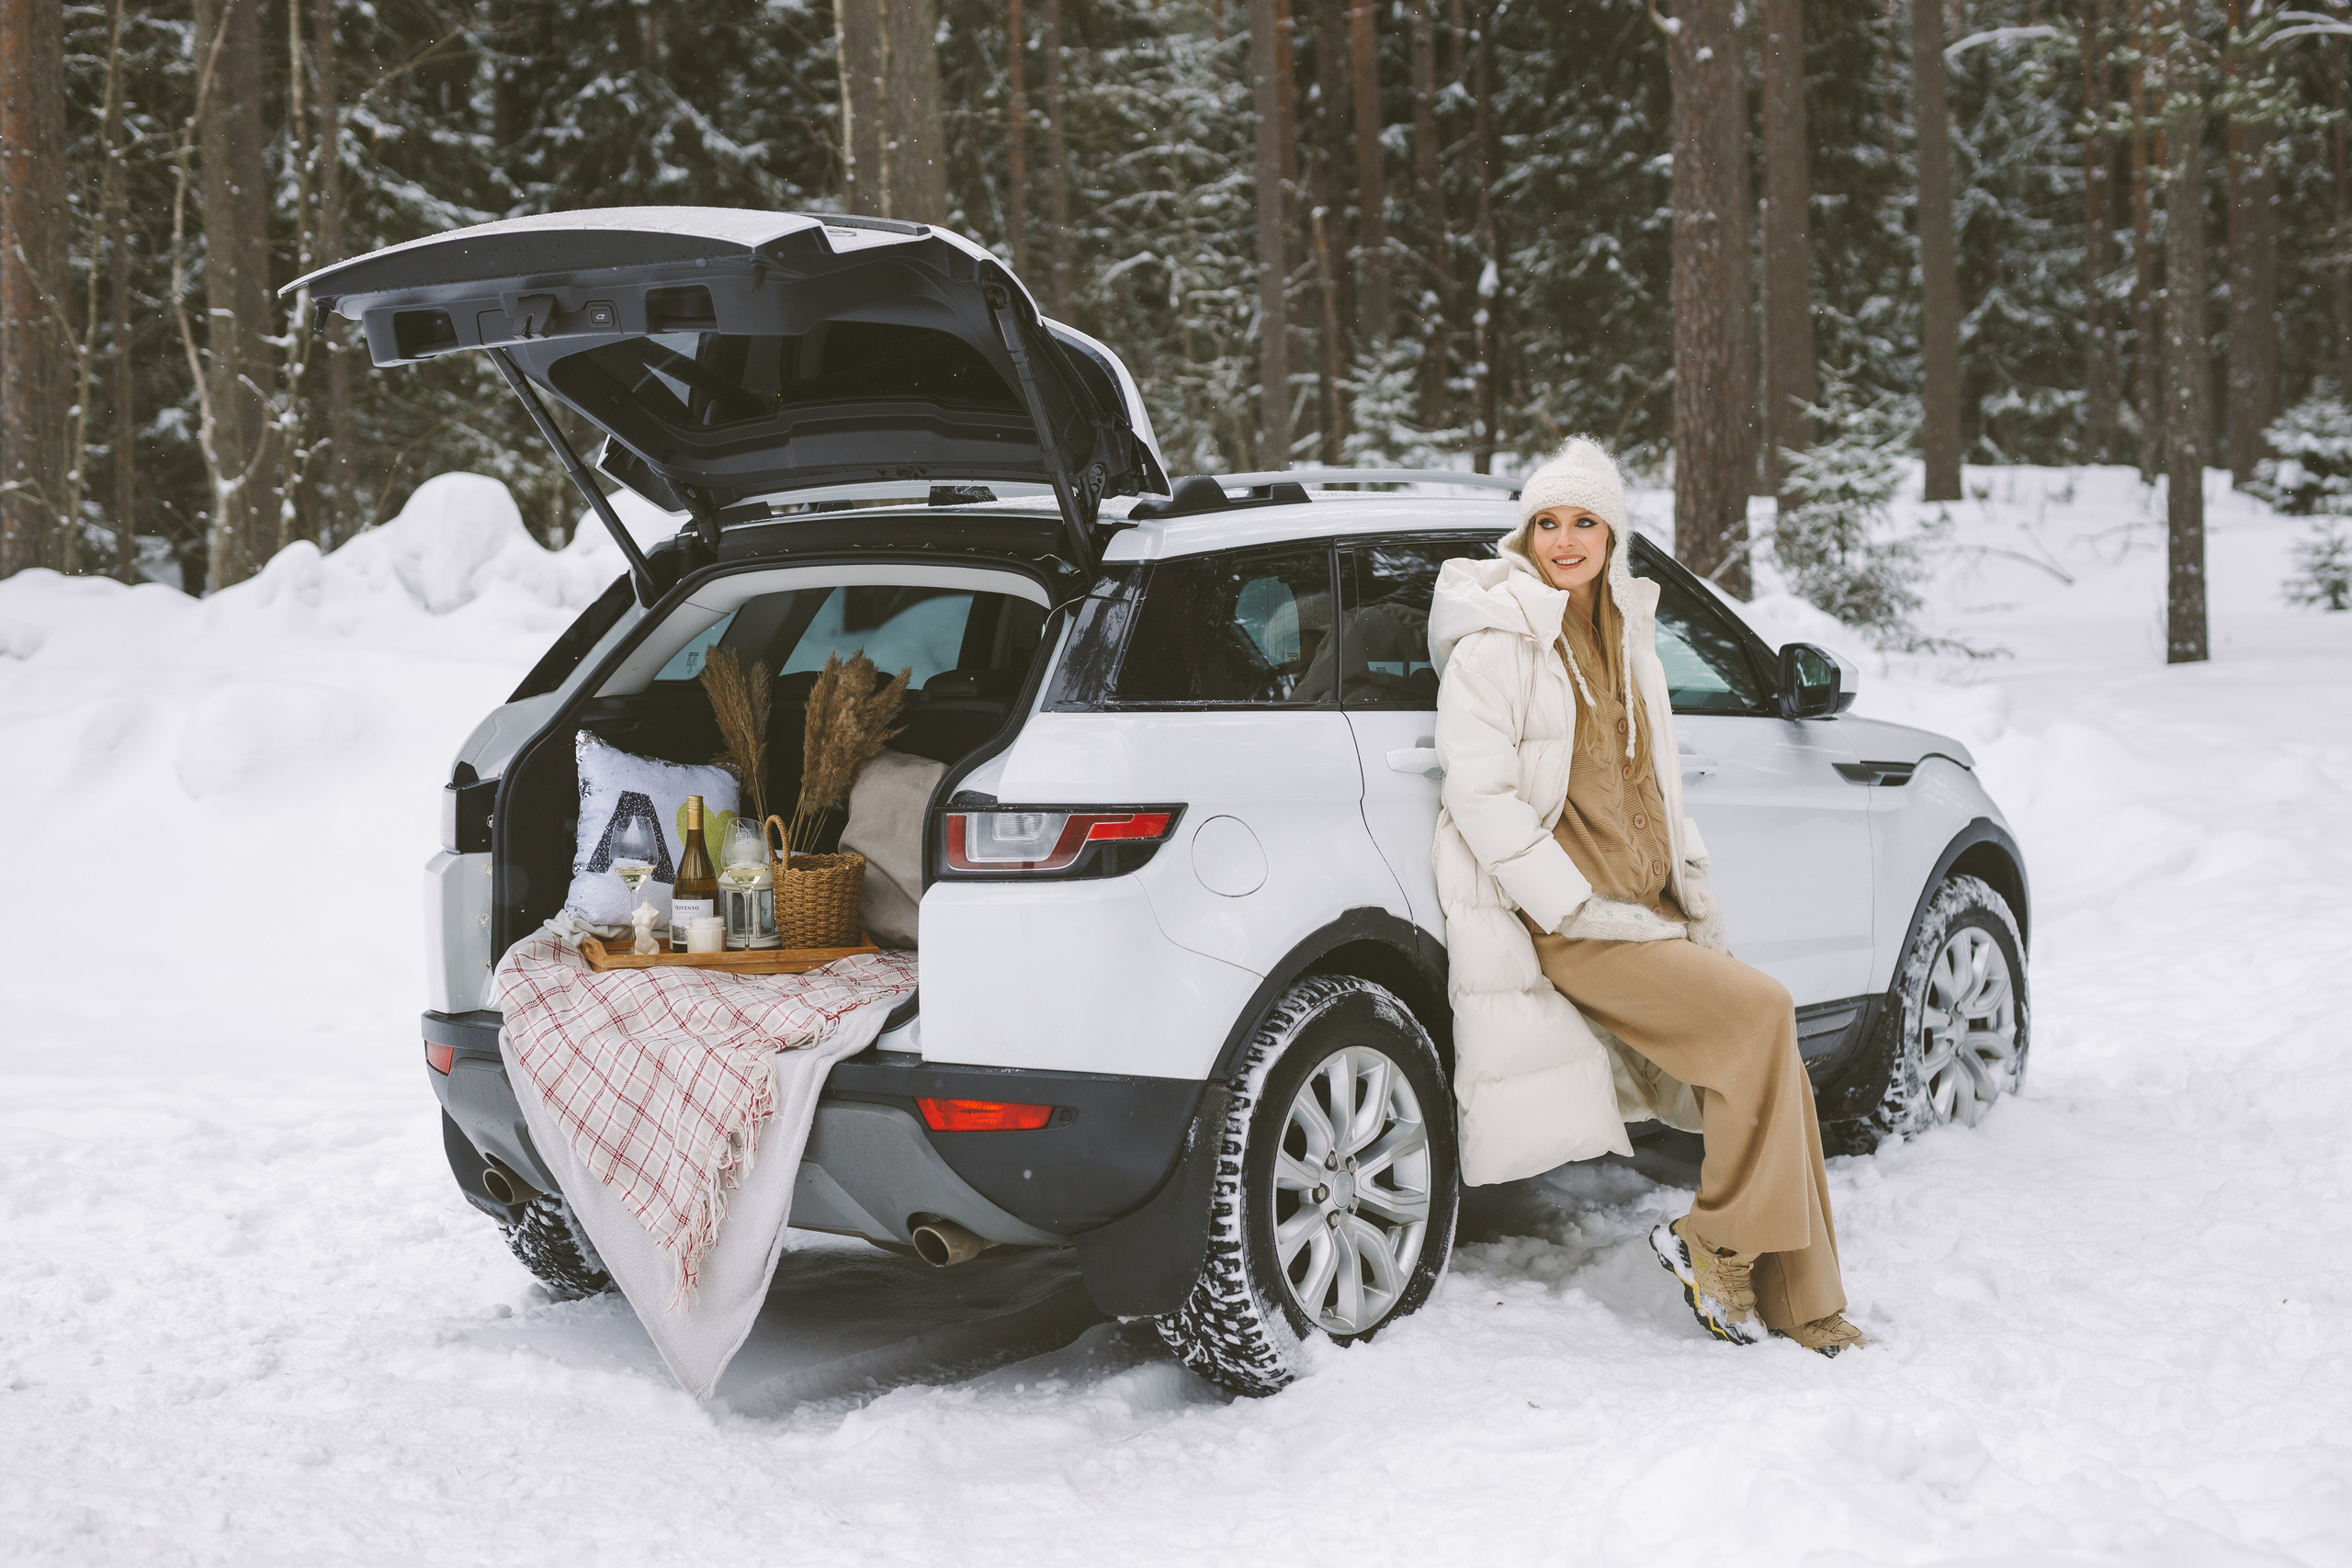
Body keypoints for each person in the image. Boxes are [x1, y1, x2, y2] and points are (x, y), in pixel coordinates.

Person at [1428, 436, 1867, 1356]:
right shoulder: (1496, 644)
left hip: (1650, 910)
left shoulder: (1628, 637)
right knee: (1762, 1012)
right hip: (1576, 921)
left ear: (1612, 536)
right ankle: (1713, 1240)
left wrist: (1685, 878)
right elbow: (1480, 795)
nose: (1564, 540)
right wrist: (1561, 902)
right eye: (1547, 523)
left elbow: (1655, 785)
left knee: (1772, 1064)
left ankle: (1803, 1303)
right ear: (1525, 535)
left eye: (1584, 522)